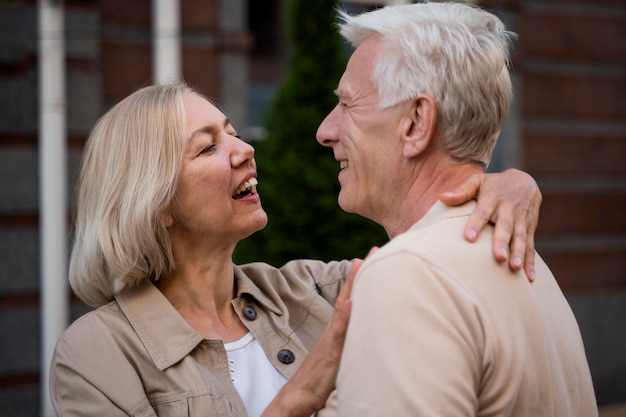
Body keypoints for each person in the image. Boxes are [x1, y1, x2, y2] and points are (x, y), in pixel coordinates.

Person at [49, 82, 541, 417]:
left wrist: (506, 183)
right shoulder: (96, 354)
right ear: (153, 203)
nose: (245, 150)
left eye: (234, 133)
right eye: (207, 147)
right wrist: (303, 390)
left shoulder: (313, 290)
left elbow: (433, 265)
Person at [314, 3, 597, 416]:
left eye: (347, 104)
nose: (325, 131)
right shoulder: (527, 265)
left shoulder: (409, 274)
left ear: (416, 123)